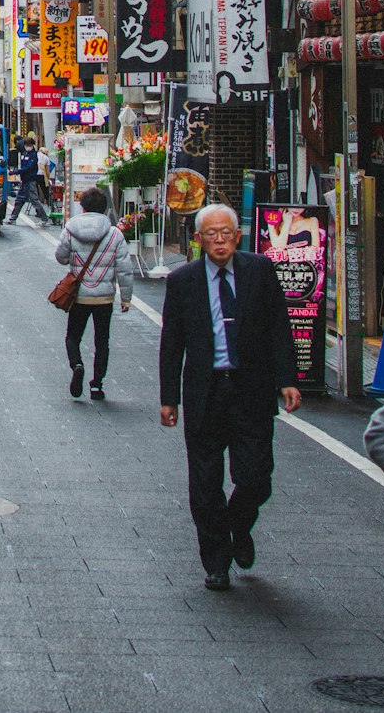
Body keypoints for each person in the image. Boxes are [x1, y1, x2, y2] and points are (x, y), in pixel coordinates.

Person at [159, 203, 301, 592]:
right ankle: (217, 562)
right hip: (206, 391)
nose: (219, 240)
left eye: (226, 233)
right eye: (211, 235)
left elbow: (278, 327)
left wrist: (288, 379)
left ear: (237, 236)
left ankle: (239, 522)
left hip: (251, 389)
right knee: (205, 483)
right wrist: (169, 398)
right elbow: (172, 344)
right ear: (199, 240)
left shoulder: (260, 270)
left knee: (256, 477)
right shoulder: (183, 280)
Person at [55, 186, 132, 401]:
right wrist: (126, 298)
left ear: (83, 206)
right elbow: (125, 269)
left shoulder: (71, 229)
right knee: (102, 341)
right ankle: (97, 385)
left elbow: (60, 257)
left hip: (79, 296)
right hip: (104, 297)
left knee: (73, 336)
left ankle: (77, 364)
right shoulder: (114, 233)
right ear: (104, 208)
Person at [7, 135, 46, 222]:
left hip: (30, 180)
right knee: (19, 200)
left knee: (34, 200)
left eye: (28, 144)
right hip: (24, 181)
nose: (27, 146)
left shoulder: (33, 155)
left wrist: (15, 172)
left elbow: (28, 168)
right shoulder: (25, 154)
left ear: (32, 145)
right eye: (26, 144)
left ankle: (44, 218)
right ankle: (12, 218)